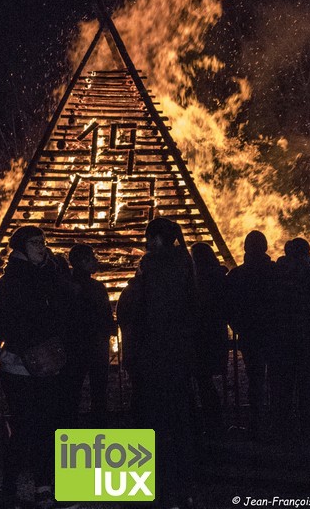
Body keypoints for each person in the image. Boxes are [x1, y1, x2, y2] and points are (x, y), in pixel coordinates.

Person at [0, 226, 76, 509]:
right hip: (19, 366)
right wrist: (26, 339)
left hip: (48, 364)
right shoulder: (9, 282)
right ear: (21, 247)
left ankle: (42, 488)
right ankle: (10, 488)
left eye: (43, 241)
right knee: (26, 426)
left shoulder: (51, 276)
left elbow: (63, 312)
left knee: (46, 426)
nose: (41, 247)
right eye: (34, 242)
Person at [117, 218, 196, 509]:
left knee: (154, 422)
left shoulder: (155, 266)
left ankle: (156, 489)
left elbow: (139, 309)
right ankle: (180, 488)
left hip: (154, 357)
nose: (145, 242)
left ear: (158, 239)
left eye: (149, 237)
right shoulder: (185, 264)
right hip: (176, 356)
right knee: (177, 422)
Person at [270, 237, 310, 438]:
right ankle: (308, 429)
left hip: (281, 340)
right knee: (307, 386)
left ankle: (282, 428)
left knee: (282, 387)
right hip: (305, 340)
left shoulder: (276, 275)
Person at [226, 230, 275, 439]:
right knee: (278, 379)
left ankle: (256, 424)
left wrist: (239, 327)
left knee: (255, 379)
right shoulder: (277, 272)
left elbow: (229, 308)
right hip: (275, 334)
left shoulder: (237, 275)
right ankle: (278, 423)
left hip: (251, 335)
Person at [61, 244, 116, 427]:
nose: (96, 261)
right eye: (92, 257)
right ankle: (98, 428)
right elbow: (104, 316)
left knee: (72, 393)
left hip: (74, 346)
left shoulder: (65, 286)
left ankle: (70, 429)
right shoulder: (95, 287)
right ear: (83, 262)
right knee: (98, 392)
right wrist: (109, 329)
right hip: (94, 346)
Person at [191, 242, 229, 436]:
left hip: (200, 338)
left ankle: (208, 425)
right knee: (206, 382)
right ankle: (216, 423)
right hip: (216, 336)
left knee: (201, 382)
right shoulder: (220, 278)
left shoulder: (197, 282)